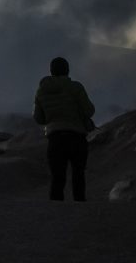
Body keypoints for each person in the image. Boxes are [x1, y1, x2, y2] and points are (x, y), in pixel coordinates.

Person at [33, 56, 96, 201]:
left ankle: (56, 215)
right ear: (67, 70)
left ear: (51, 71)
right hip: (76, 137)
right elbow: (89, 110)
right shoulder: (76, 87)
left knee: (57, 178)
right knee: (78, 175)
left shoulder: (41, 91)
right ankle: (79, 211)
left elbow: (39, 118)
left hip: (55, 138)